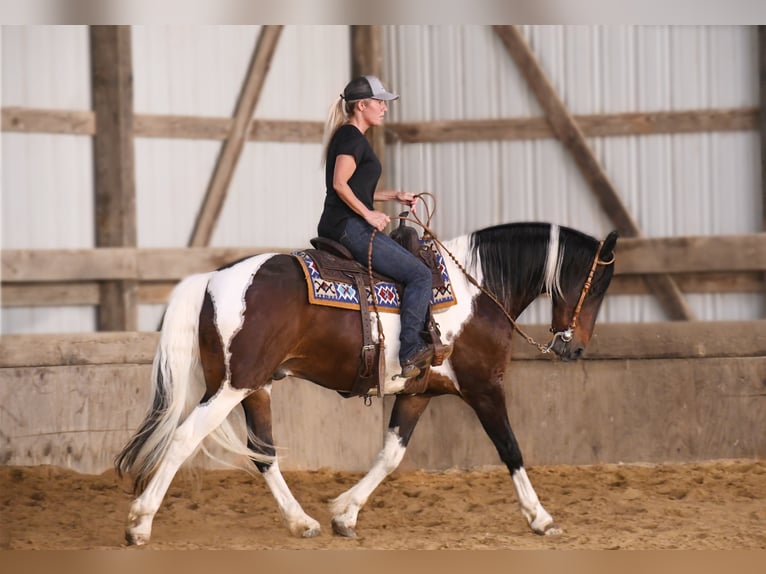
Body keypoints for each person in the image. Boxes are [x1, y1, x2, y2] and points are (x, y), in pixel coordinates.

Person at [317, 75, 437, 379]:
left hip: (345, 222)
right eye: (379, 102)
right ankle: (410, 349)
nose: (384, 108)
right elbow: (339, 184)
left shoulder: (351, 137)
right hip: (348, 226)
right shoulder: (351, 138)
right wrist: (370, 215)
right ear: (361, 106)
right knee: (420, 275)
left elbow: (355, 188)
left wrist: (393, 195)